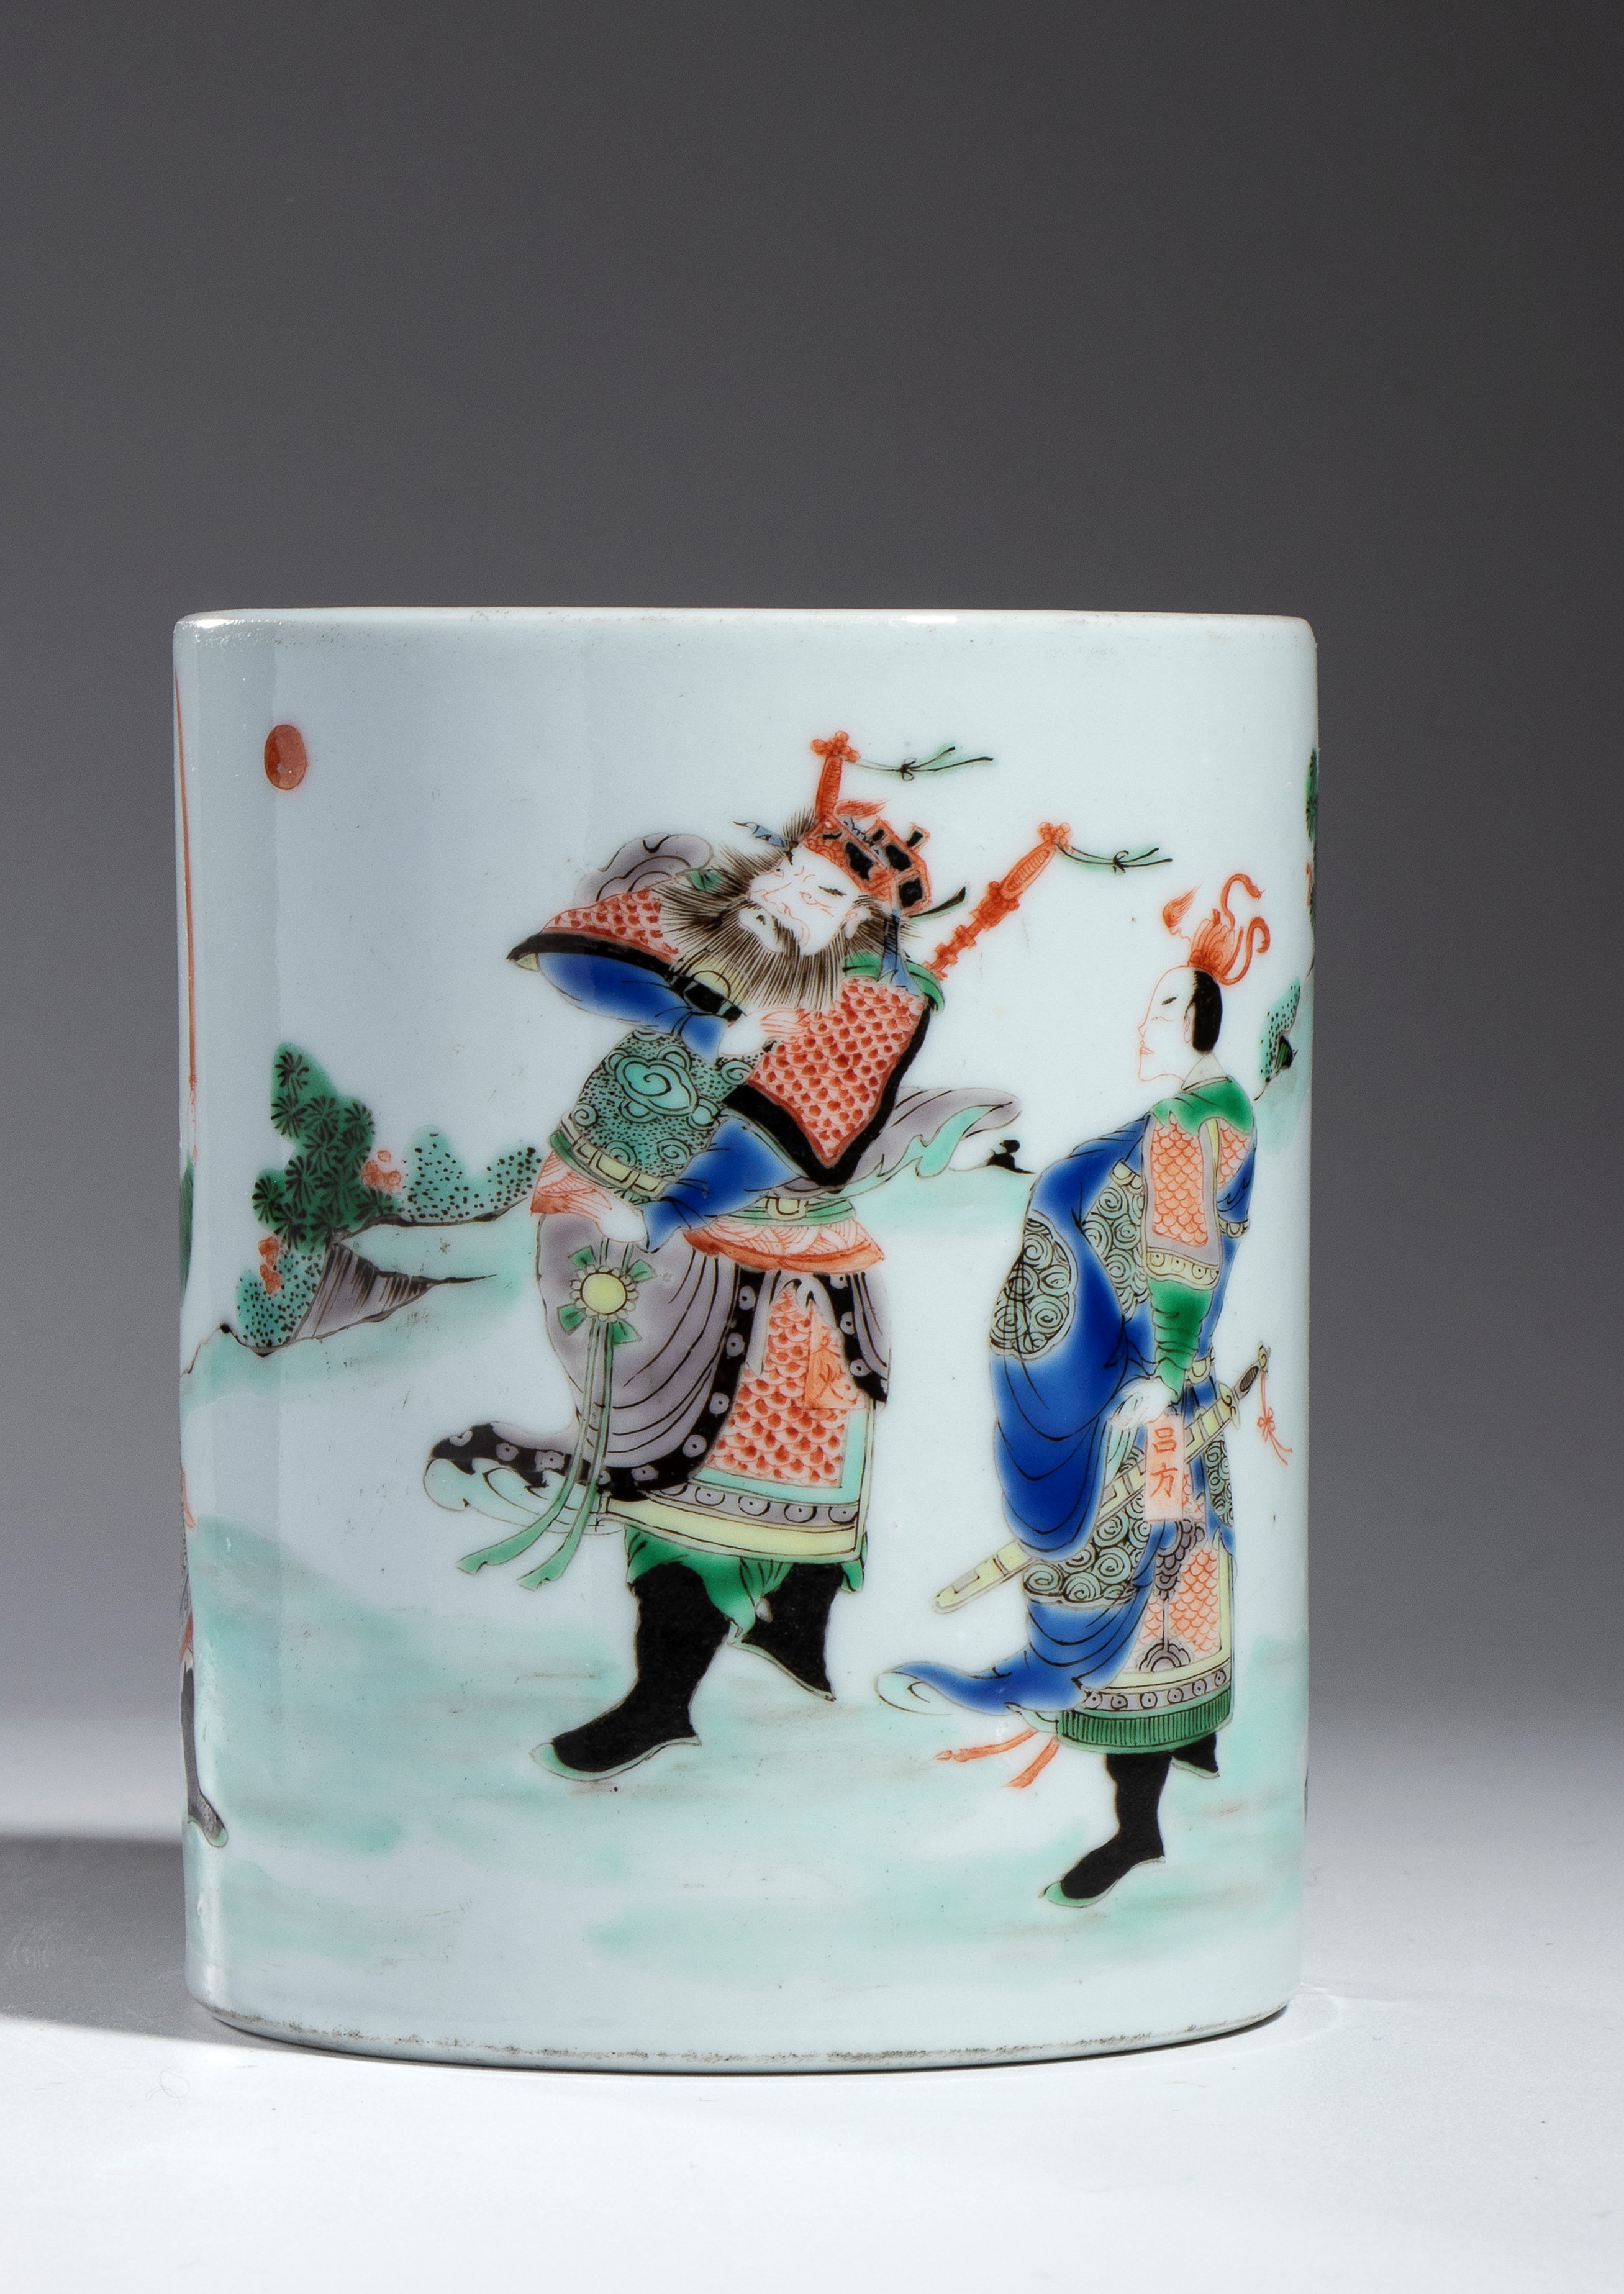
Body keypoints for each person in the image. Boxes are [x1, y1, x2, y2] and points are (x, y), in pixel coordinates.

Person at [429, 733, 950, 1778]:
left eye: (820, 896)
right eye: (788, 871)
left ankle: (687, 1694)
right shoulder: (730, 933)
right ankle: (772, 1656)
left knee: (707, 1492)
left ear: (861, 925)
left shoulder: (872, 1000)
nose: (785, 897)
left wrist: (667, 1206)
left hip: (779, 1288)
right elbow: (593, 957)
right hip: (677, 1253)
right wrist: (703, 1004)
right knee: (659, 1468)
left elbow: (787, 1131)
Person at [882, 876, 1271, 1906]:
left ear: (1197, 1019)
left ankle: (1133, 1827)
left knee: (1122, 1585)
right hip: (1162, 1394)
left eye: (1161, 1007)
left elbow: (1182, 1255)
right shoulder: (1210, 1109)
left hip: (1145, 1404)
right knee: (1165, 1585)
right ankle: (1172, 1791)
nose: (1144, 1024)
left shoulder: (1184, 1124)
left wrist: (1161, 1373)